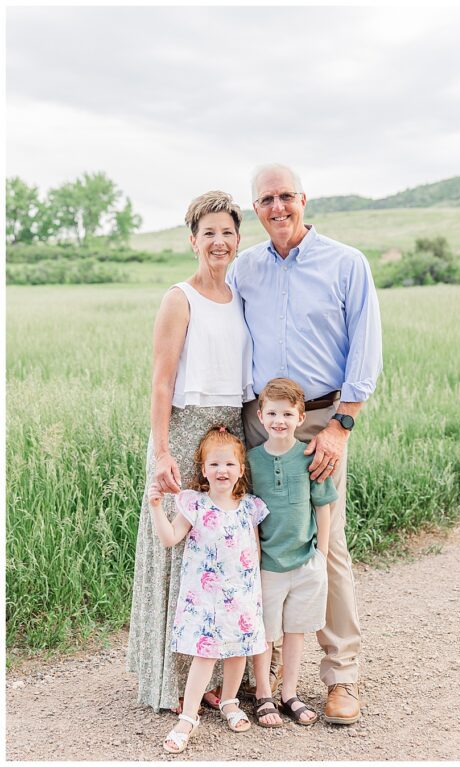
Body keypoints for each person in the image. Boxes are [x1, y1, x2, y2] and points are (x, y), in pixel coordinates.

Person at [231, 163, 382, 724]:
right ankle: (257, 673)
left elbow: (365, 349)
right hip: (256, 420)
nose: (278, 207)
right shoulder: (245, 269)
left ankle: (341, 675)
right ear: (255, 208)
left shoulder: (346, 263)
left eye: (286, 196)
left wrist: (342, 426)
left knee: (326, 544)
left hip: (321, 420)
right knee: (256, 543)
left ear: (304, 199)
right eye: (266, 198)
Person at [127, 191, 254, 713]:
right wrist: (162, 454)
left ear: (238, 239)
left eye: (227, 232)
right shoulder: (179, 297)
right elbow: (160, 382)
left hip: (231, 433)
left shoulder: (241, 296)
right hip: (183, 430)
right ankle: (174, 681)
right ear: (193, 241)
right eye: (209, 233)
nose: (218, 242)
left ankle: (225, 673)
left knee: (223, 550)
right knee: (180, 547)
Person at [146, 426, 268, 753]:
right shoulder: (195, 504)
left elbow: (254, 552)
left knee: (238, 648)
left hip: (241, 592)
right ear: (203, 470)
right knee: (206, 652)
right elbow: (171, 538)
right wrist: (156, 506)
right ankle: (188, 716)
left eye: (228, 464)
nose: (221, 471)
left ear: (241, 470)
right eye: (214, 465)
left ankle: (229, 700)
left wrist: (254, 594)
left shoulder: (250, 507)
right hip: (205, 596)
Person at [248, 378, 338, 727]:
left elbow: (323, 506)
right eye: (272, 413)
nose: (279, 420)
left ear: (301, 417)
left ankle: (289, 693)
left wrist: (322, 553)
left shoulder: (308, 456)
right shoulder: (252, 460)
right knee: (266, 632)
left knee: (296, 631)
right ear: (260, 415)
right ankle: (263, 695)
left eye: (287, 413)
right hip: (268, 563)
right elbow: (248, 510)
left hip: (304, 561)